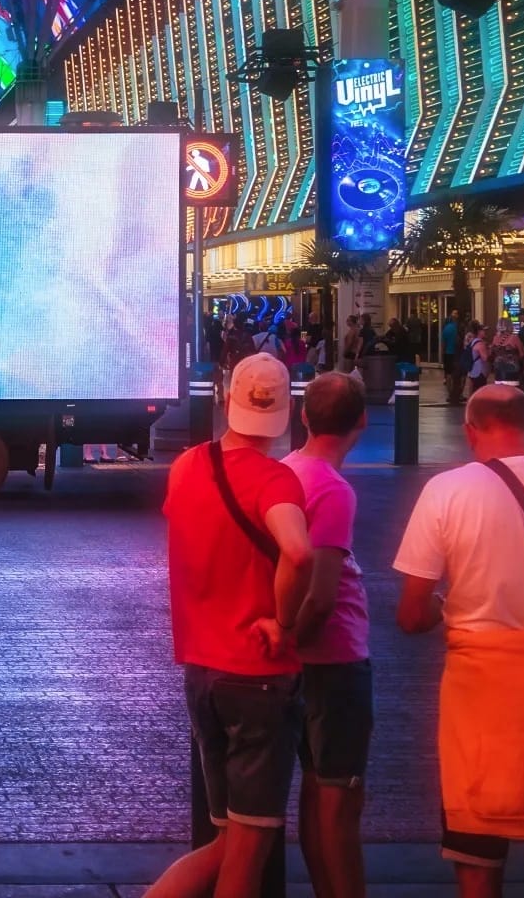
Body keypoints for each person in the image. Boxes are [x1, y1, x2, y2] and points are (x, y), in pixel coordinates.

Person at [394, 386, 524, 896]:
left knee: (475, 843)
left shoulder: (446, 491)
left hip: (479, 690)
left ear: (469, 432)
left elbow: (412, 615)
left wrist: (451, 604)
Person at [146, 354, 313, 898]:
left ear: (225, 399)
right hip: (258, 676)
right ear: (288, 409)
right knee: (245, 856)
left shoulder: (189, 465)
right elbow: (299, 551)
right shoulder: (277, 480)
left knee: (223, 844)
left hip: (202, 671)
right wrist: (284, 623)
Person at [282, 374, 372, 898]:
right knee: (340, 801)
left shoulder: (284, 473)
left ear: (304, 416)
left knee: (314, 799)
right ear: (362, 421)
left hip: (297, 666)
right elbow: (321, 593)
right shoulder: (332, 489)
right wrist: (298, 638)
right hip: (335, 661)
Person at [490, 318, 524, 383]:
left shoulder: (495, 338)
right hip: (511, 369)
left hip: (498, 369)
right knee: (512, 390)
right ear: (510, 326)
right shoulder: (514, 338)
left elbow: (491, 353)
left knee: (500, 390)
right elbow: (521, 354)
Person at [442, 311, 464, 405]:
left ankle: (450, 394)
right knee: (460, 375)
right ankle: (459, 394)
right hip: (458, 353)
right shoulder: (460, 328)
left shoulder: (446, 328)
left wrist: (443, 353)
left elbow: (443, 343)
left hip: (448, 353)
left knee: (448, 374)